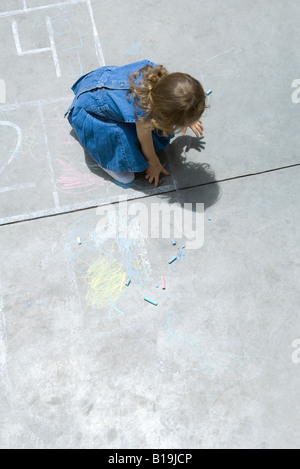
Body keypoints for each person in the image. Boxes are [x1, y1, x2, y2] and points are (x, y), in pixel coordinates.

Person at [65, 59, 207, 187]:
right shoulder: (143, 109)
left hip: (100, 79)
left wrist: (187, 117)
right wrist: (154, 163)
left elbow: (178, 99)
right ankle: (109, 161)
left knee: (148, 129)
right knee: (124, 139)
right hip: (93, 113)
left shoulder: (158, 77)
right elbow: (146, 142)